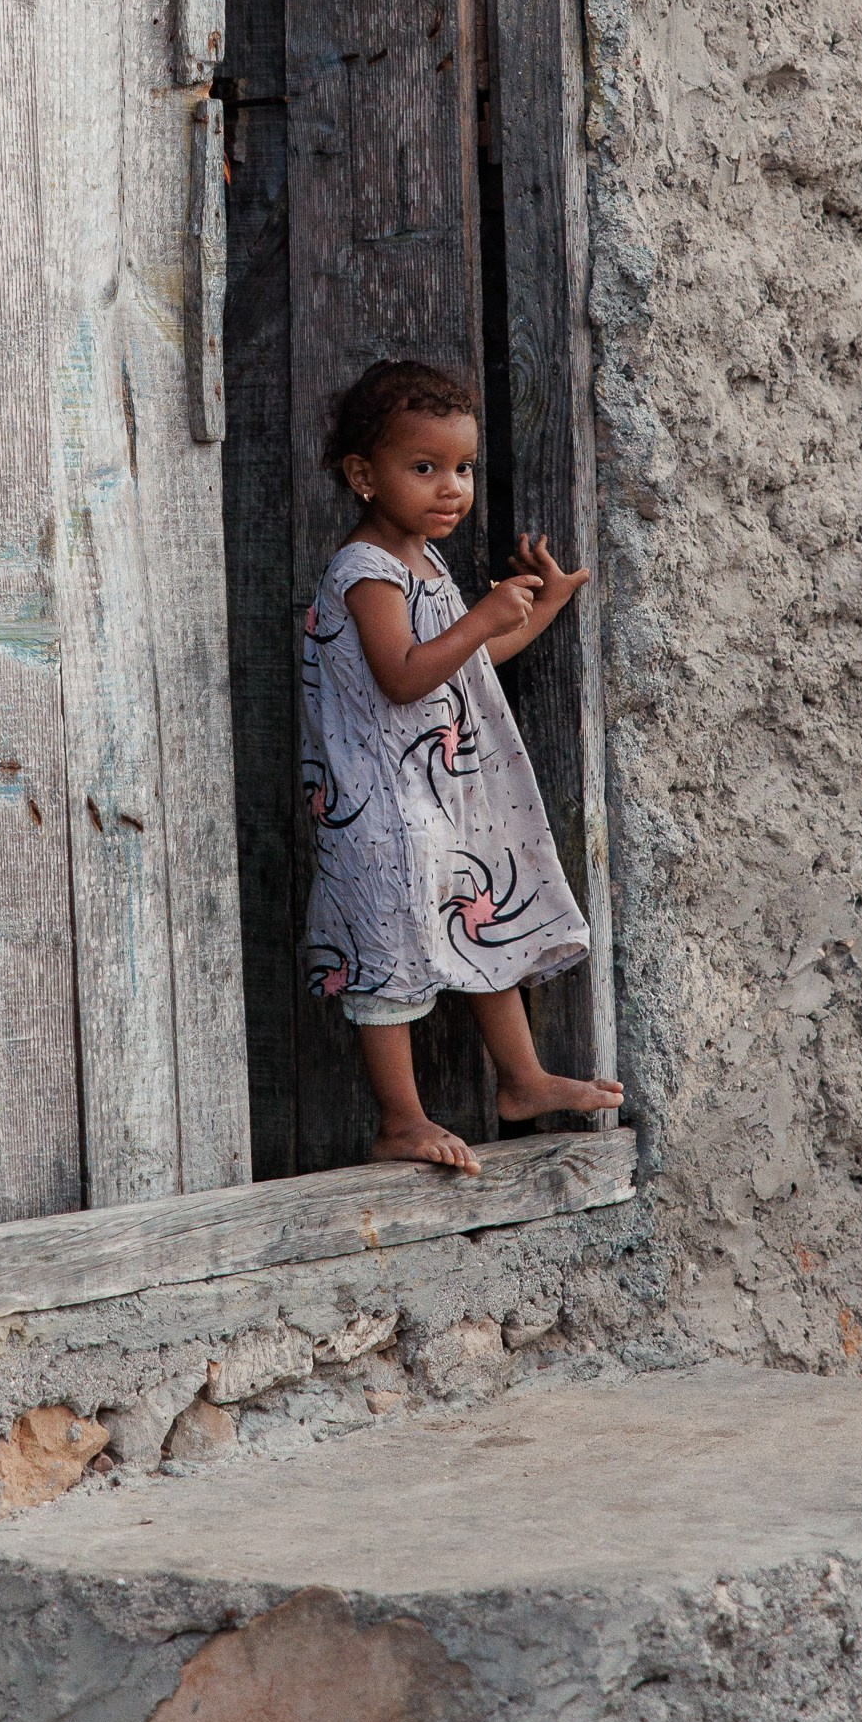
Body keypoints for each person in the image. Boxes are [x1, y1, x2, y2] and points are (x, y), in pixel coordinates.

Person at [301, 357, 623, 1172]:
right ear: (362, 476)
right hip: (380, 806)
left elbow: (466, 661)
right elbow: (404, 672)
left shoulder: (426, 561)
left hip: (434, 799)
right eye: (425, 468)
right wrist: (482, 614)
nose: (452, 488)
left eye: (462, 468)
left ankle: (519, 1079)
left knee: (473, 917)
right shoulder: (365, 571)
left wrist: (538, 608)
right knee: (384, 952)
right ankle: (400, 1119)